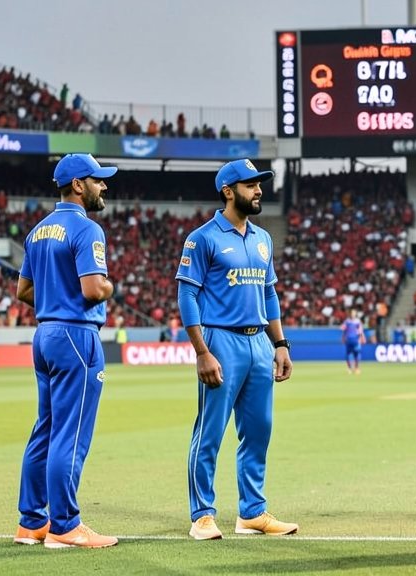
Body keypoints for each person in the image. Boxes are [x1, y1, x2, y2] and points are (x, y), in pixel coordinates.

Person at [176, 158, 296, 541]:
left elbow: (269, 293)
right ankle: (202, 515)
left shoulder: (263, 239)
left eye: (259, 184)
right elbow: (187, 295)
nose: (258, 190)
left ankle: (252, 513)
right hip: (220, 340)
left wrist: (280, 343)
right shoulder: (202, 238)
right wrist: (201, 351)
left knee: (259, 431)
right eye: (250, 185)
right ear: (228, 191)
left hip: (259, 342)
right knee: (210, 432)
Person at [14, 153, 119, 549]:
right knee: (71, 433)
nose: (103, 186)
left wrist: (54, 299)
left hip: (45, 334)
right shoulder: (87, 229)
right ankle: (65, 525)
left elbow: (23, 291)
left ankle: (31, 522)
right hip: (77, 335)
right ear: (78, 185)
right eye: (97, 179)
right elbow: (93, 289)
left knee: (45, 427)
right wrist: (109, 287)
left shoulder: (37, 231)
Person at [341, 310, 365, 374]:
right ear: (350, 314)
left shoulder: (358, 321)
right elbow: (343, 329)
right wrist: (343, 338)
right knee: (347, 354)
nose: (352, 314)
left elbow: (361, 330)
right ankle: (349, 368)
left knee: (356, 354)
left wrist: (362, 338)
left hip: (356, 340)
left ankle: (356, 368)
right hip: (348, 340)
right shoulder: (347, 321)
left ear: (355, 314)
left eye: (354, 313)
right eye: (351, 313)